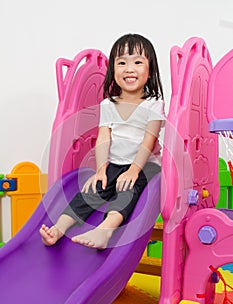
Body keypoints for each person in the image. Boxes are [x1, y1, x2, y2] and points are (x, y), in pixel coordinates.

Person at [39, 33, 166, 249]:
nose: (129, 68)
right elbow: (104, 137)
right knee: (92, 191)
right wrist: (100, 170)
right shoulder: (108, 104)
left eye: (137, 62)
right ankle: (58, 229)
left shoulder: (154, 103)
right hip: (114, 164)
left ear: (150, 70)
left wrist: (134, 170)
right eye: (121, 62)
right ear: (113, 69)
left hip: (145, 166)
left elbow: (149, 139)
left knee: (127, 190)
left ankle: (105, 231)